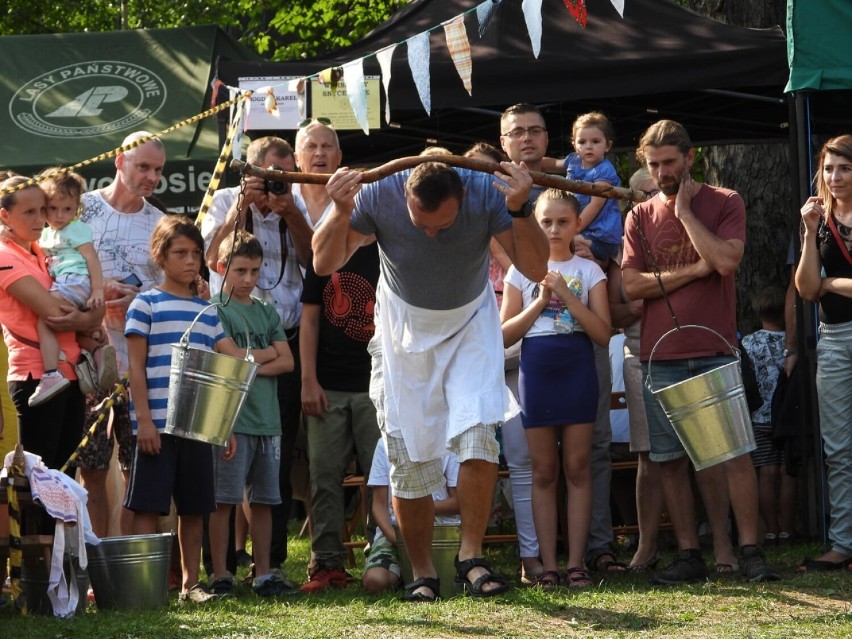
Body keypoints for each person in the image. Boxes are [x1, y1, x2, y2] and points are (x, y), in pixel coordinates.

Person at [313, 160, 549, 601]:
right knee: (409, 455)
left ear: (462, 199)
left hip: (470, 324)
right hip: (402, 328)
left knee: (480, 435)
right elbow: (324, 263)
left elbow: (535, 270)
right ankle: (422, 572)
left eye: (444, 225)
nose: (432, 234)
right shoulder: (379, 191)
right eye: (422, 225)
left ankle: (471, 558)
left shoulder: (485, 191)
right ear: (406, 197)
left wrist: (521, 210)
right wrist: (339, 208)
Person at [621, 119, 779, 584]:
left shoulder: (724, 201)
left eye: (669, 163)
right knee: (668, 459)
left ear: (691, 158)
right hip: (660, 353)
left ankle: (750, 551)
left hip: (714, 347)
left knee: (732, 454)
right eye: (653, 165)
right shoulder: (639, 216)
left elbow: (727, 260)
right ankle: (690, 553)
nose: (662, 172)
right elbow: (631, 285)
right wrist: (694, 270)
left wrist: (687, 213)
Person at [202, 125, 341, 578]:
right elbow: (209, 257)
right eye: (267, 174)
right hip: (228, 336)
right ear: (249, 173)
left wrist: (289, 212)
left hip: (284, 337)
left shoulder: (297, 202)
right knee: (225, 451)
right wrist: (243, 204)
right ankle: (221, 565)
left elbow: (315, 262)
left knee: (272, 455)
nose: (275, 181)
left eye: (282, 173)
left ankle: (271, 563)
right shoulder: (226, 199)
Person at [124, 215, 240, 604]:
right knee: (148, 505)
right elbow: (135, 368)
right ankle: (143, 585)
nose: (190, 261)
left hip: (197, 426)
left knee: (194, 508)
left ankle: (191, 585)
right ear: (160, 256)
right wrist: (143, 421)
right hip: (155, 422)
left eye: (195, 254)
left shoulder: (207, 312)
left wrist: (225, 426)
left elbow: (226, 369)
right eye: (180, 253)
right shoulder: (146, 303)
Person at [57, 132, 167, 538]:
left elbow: (171, 285)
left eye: (158, 169)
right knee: (92, 469)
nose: (151, 177)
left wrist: (136, 293)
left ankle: (131, 564)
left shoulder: (160, 223)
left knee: (136, 469)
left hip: (138, 363)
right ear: (120, 161)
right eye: (143, 166)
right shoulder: (80, 209)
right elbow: (52, 263)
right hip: (87, 360)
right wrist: (93, 294)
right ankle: (97, 563)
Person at [501, 189, 611, 589]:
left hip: (577, 368)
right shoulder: (519, 270)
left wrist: (566, 295)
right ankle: (548, 565)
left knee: (578, 469)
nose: (553, 229)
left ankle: (577, 562)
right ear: (534, 223)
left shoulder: (590, 271)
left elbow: (602, 333)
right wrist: (540, 301)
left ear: (577, 224)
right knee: (544, 472)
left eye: (562, 221)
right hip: (537, 371)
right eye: (545, 221)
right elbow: (502, 335)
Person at [468, 135, 543, 583]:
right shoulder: (445, 224)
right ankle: (461, 555)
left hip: (516, 363)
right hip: (468, 361)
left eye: (485, 175)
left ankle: (530, 557)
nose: (475, 182)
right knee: (460, 456)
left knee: (519, 461)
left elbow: (530, 265)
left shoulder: (514, 221)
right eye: (467, 173)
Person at [207, 230, 294, 596]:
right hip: (231, 420)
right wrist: (264, 355)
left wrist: (247, 362)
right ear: (222, 267)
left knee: (265, 501)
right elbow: (226, 363)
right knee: (224, 501)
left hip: (267, 420)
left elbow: (288, 362)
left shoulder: (266, 310)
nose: (248, 280)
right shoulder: (215, 310)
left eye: (255, 271)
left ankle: (263, 574)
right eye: (240, 270)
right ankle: (220, 574)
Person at [0, 177, 103, 471]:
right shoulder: (4, 255)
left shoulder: (42, 248)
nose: (41, 218)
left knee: (64, 480)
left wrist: (93, 313)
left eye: (42, 209)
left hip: (71, 376)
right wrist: (93, 318)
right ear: (5, 215)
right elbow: (54, 312)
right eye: (29, 212)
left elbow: (86, 294)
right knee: (39, 486)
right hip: (35, 377)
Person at [299, 240, 380, 593]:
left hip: (377, 384)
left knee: (379, 475)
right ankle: (326, 562)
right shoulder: (326, 247)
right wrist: (308, 380)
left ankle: (383, 553)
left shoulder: (389, 244)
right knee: (324, 473)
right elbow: (311, 318)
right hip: (327, 385)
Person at [795, 134, 852, 572]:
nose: (835, 177)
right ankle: (844, 544)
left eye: (844, 168)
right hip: (833, 336)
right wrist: (810, 233)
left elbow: (825, 285)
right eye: (829, 168)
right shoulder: (820, 219)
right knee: (837, 448)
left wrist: (832, 283)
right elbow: (807, 288)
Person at [609, 168, 665, 572]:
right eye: (638, 194)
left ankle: (704, 539)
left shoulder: (682, 232)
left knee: (700, 452)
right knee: (647, 455)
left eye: (655, 191)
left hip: (687, 346)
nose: (647, 198)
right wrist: (632, 307)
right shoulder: (616, 249)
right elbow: (610, 311)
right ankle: (647, 545)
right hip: (639, 349)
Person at [28, 170, 116, 407]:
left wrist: (97, 290)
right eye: (53, 208)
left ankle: (50, 374)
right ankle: (95, 346)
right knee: (66, 321)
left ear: (77, 208)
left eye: (67, 209)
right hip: (66, 282)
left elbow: (92, 259)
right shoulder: (46, 234)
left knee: (44, 320)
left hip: (74, 281)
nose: (59, 215)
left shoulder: (76, 229)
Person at [362, 439, 459, 594]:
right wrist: (398, 539)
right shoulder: (384, 442)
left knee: (447, 579)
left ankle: (414, 575)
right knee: (375, 581)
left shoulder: (448, 440)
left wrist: (417, 508)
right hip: (394, 531)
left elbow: (459, 502)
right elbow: (378, 505)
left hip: (440, 530)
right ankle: (405, 575)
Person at [741, 285, 796, 546]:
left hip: (758, 416)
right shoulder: (792, 343)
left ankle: (770, 529)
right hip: (786, 415)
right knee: (787, 471)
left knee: (765, 472)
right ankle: (787, 528)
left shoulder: (748, 343)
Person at [541, 111, 623, 264]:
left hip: (599, 235)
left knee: (566, 244)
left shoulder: (604, 170)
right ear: (574, 145)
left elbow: (595, 205)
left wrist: (574, 229)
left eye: (595, 141)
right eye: (582, 142)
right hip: (580, 227)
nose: (588, 147)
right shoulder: (574, 161)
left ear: (608, 145)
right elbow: (552, 164)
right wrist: (529, 163)